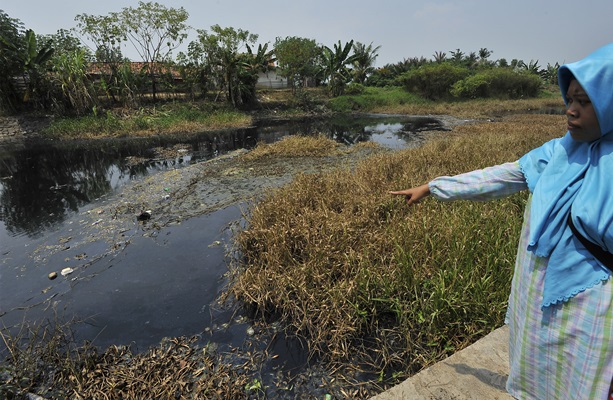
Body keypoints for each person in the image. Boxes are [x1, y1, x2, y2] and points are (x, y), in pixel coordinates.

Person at [390, 43, 613, 400]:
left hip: (593, 305)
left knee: (582, 380)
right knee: (536, 366)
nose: (571, 111)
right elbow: (502, 176)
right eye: (569, 99)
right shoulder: (558, 152)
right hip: (535, 288)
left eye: (584, 102)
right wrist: (433, 187)